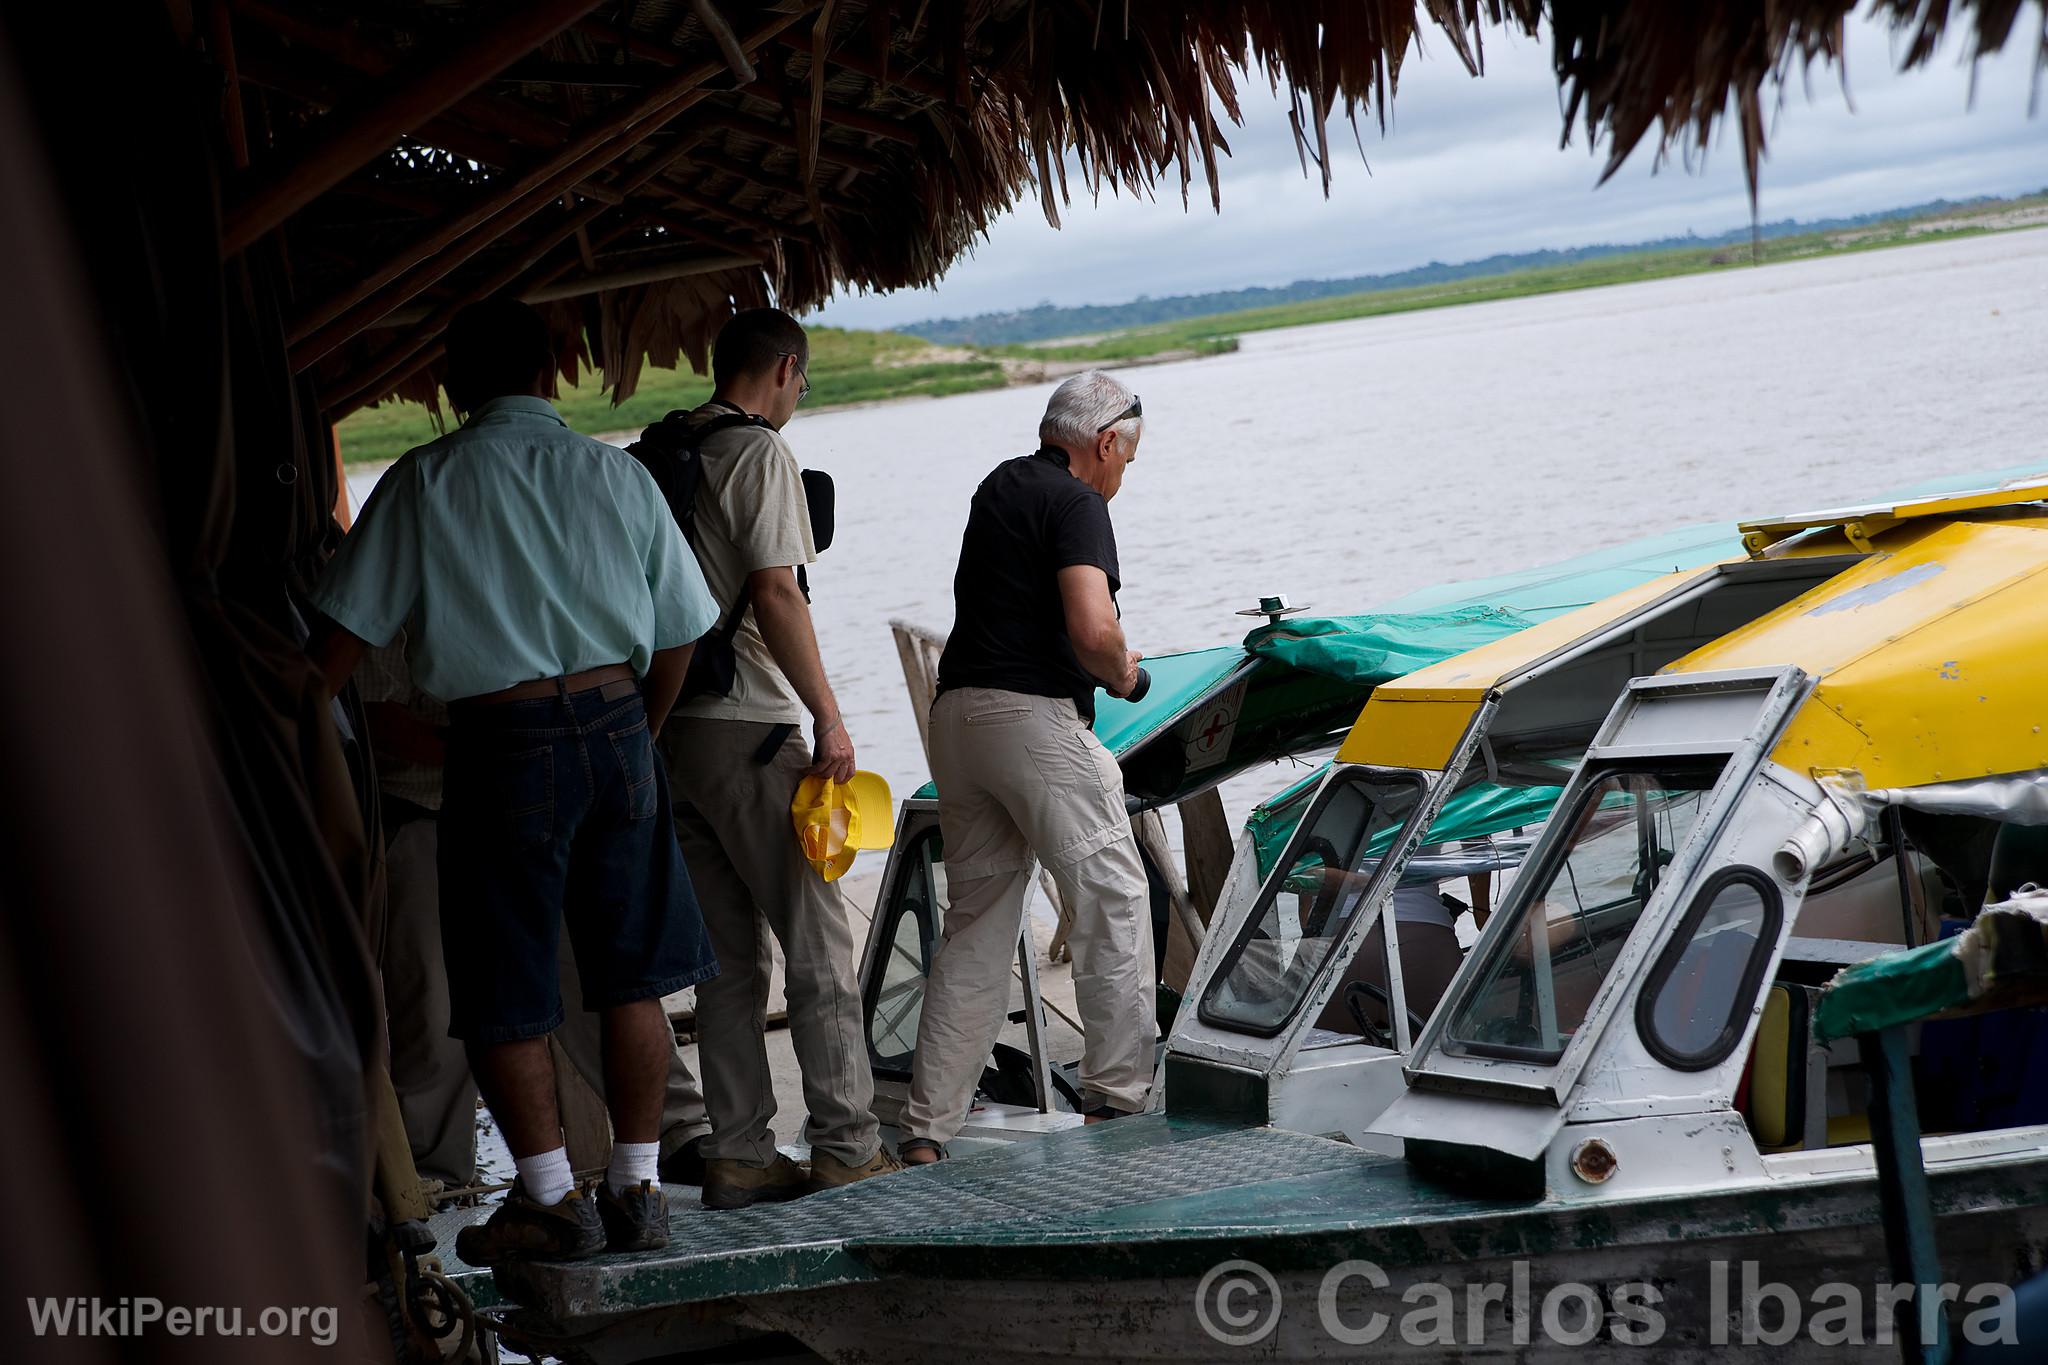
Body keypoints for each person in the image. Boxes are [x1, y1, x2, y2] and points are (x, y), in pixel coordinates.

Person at [308, 297, 720, 1263]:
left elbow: (332, 655)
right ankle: (638, 1189)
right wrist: (642, 731)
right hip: (618, 722)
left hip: (502, 739)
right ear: (551, 371)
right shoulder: (617, 474)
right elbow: (682, 631)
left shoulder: (424, 480)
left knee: (503, 981)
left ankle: (549, 1199)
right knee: (631, 974)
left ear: (452, 384)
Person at [650, 308, 899, 1208]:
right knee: (819, 940)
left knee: (725, 960)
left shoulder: (671, 451)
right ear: (786, 368)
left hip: (674, 730)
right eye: (804, 380)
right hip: (751, 727)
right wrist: (829, 718)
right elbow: (777, 592)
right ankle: (847, 1143)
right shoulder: (758, 453)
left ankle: (742, 1152)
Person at [358, 634, 720, 1194]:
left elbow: (678, 634)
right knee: (443, 1005)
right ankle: (440, 1177)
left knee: (612, 981)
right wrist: (506, 752)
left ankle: (666, 1138)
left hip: (554, 785)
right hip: (436, 806)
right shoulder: (412, 583)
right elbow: (375, 711)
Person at [899, 370, 1153, 1164]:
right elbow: (1093, 629)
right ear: (1104, 442)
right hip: (1027, 720)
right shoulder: (1079, 503)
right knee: (1113, 895)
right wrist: (1125, 674)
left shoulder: (1001, 484)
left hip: (956, 718)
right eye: (1126, 459)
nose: (1123, 475)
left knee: (976, 925)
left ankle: (927, 1128)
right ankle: (1117, 1101)